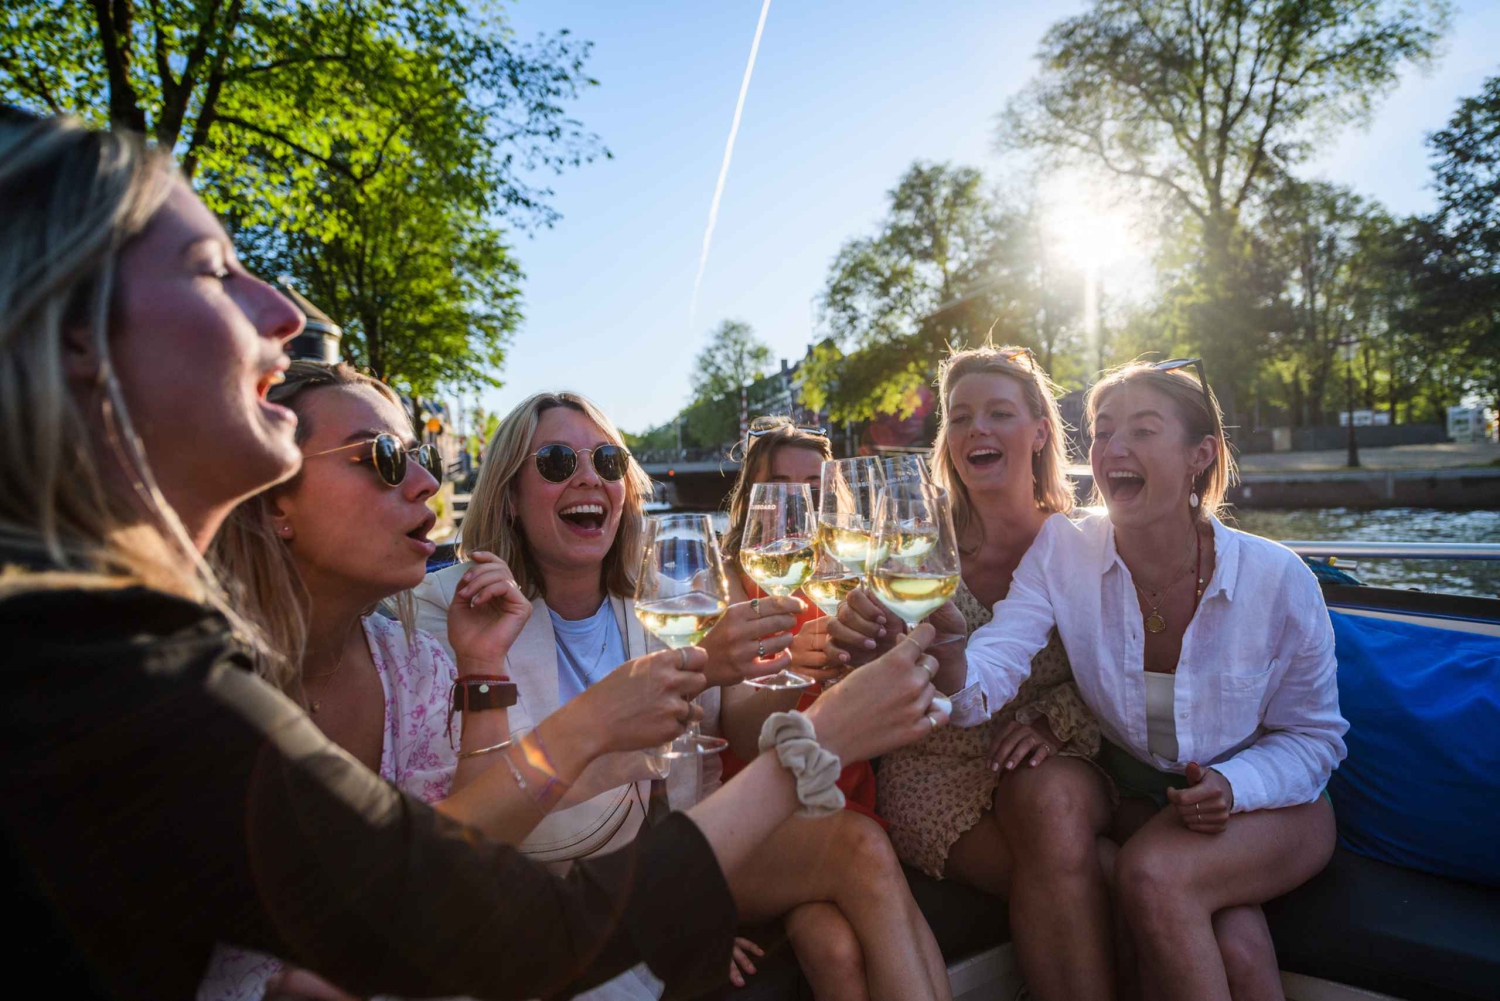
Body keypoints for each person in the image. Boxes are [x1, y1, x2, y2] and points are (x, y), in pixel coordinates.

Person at [0, 109, 951, 1001]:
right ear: (75, 334)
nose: (283, 312)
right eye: (214, 270)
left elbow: (388, 885)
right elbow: (487, 914)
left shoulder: (134, 648)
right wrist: (813, 743)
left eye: (609, 460)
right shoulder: (109, 670)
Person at [201, 361, 716, 1001]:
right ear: (278, 499)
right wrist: (591, 727)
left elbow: (461, 863)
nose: (424, 483)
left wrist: (479, 669)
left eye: (421, 459)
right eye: (384, 457)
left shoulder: (413, 661)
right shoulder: (196, 674)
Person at [414, 400, 952, 1001]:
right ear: (509, 496)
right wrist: (699, 671)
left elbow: (733, 740)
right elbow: (496, 807)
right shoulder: (455, 608)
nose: (589, 477)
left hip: (680, 845)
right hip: (562, 880)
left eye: (609, 460)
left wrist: (801, 671)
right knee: (838, 908)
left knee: (858, 851)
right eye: (558, 460)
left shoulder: (670, 595)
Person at [959, 359, 1348, 1001]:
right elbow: (994, 661)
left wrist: (1233, 783)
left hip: (1280, 806)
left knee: (1153, 874)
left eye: (1142, 430)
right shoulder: (1064, 550)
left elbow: (1314, 739)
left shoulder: (1278, 579)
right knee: (1238, 946)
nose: (1114, 449)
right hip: (1146, 800)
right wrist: (946, 656)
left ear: (1200, 455)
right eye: (1104, 431)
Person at [829, 345, 1114, 1001]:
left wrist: (1053, 719)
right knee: (1105, 874)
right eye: (960, 417)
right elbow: (876, 666)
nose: (976, 429)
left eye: (999, 413)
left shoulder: (1079, 545)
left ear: (1040, 430)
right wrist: (858, 647)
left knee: (1055, 814)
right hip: (936, 773)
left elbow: (1114, 668)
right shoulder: (913, 547)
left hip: (1049, 754)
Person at [715, 417, 950, 1001]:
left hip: (835, 805)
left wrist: (891, 651)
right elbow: (731, 732)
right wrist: (790, 664)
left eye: (814, 490)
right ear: (753, 501)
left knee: (834, 948)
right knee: (863, 856)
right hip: (751, 818)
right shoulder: (722, 589)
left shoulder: (853, 583)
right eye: (782, 488)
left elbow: (887, 710)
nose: (800, 505)